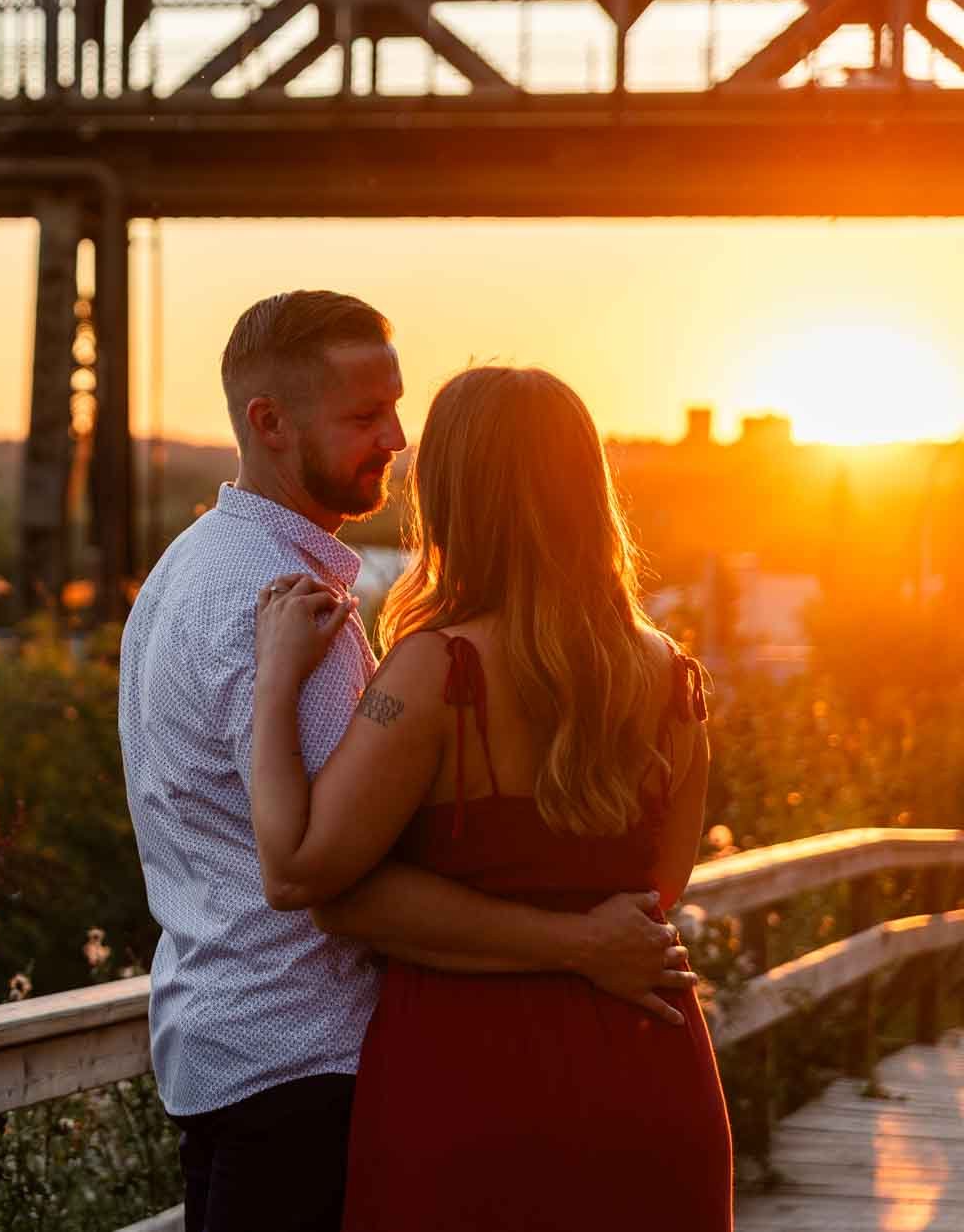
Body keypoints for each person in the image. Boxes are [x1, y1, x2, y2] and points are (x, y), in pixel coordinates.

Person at [118, 293, 698, 1232]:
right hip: (317, 1062)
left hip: (228, 1045)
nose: (394, 440)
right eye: (364, 417)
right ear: (268, 423)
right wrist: (582, 940)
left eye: (399, 412)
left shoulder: (184, 571)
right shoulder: (297, 611)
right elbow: (320, 878)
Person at [251, 364, 732, 1231]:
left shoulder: (440, 673)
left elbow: (302, 874)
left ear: (453, 498)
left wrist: (274, 685)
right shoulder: (672, 676)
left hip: (470, 1081)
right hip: (648, 1071)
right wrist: (583, 944)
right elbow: (655, 895)